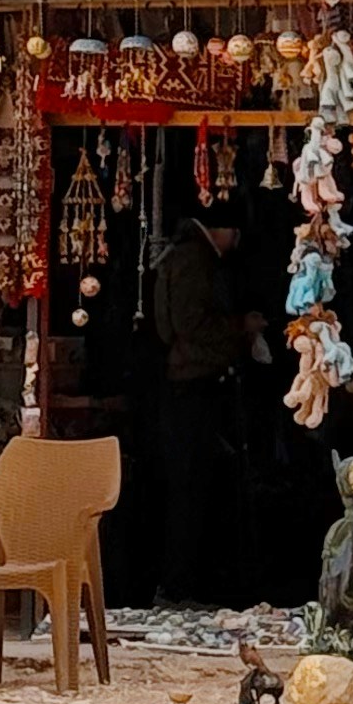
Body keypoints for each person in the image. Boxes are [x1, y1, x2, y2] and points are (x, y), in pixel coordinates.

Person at [152, 209, 249, 602]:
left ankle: (182, 582)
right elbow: (188, 324)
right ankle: (181, 584)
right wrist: (240, 328)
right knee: (192, 490)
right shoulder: (194, 260)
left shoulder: (179, 256)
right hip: (194, 385)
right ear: (221, 229)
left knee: (189, 488)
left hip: (186, 386)